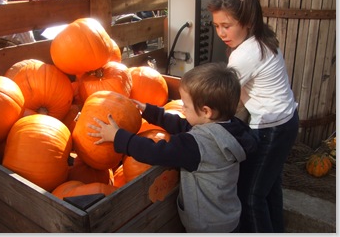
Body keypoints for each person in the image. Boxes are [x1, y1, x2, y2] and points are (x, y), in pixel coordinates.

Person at [87, 62, 258, 233]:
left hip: (207, 226)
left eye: (186, 105)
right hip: (228, 216)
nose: (182, 108)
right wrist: (151, 112)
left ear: (206, 112)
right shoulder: (230, 130)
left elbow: (155, 152)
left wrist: (119, 137)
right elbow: (185, 126)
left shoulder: (197, 145)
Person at [207, 0, 299, 233]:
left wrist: (196, 109)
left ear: (247, 20)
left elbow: (225, 94)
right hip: (285, 120)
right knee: (269, 189)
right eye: (217, 26)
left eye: (227, 26)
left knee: (249, 195)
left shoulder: (246, 53)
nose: (221, 33)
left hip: (271, 128)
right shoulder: (263, 38)